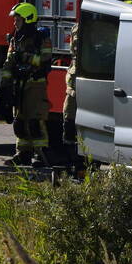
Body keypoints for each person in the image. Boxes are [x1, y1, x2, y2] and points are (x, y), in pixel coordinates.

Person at [0, 2, 53, 167]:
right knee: (20, 121)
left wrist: (26, 58)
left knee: (35, 121)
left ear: (28, 19)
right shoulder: (16, 38)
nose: (15, 23)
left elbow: (45, 60)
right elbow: (9, 63)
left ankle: (40, 155)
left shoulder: (42, 38)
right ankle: (23, 154)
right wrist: (4, 86)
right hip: (19, 85)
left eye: (18, 20)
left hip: (35, 85)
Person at [62, 22, 80, 166]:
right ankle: (71, 162)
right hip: (73, 90)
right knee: (69, 122)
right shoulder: (77, 27)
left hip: (89, 83)